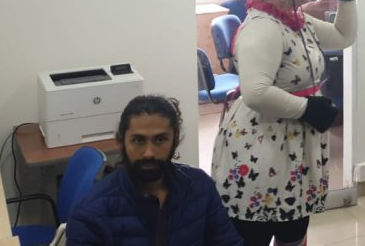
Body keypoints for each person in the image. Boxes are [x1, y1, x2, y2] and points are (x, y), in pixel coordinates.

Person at [211, 0, 357, 246]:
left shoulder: (297, 20)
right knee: (255, 233)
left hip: (293, 147)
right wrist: (308, 108)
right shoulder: (262, 27)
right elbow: (255, 92)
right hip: (262, 148)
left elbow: (343, 36)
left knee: (293, 231)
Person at [66, 95, 242, 246]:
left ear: (175, 140)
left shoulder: (200, 187)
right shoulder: (90, 214)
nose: (149, 153)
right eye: (138, 140)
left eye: (160, 140)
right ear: (121, 142)